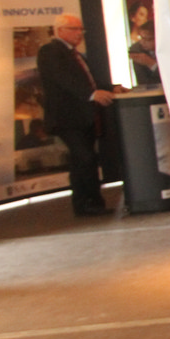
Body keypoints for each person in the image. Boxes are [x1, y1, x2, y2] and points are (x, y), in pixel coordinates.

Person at [36, 14, 115, 216]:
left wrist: (111, 88)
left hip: (84, 117)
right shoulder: (50, 51)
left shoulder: (75, 54)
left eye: (81, 29)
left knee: (83, 160)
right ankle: (88, 203)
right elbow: (64, 79)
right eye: (74, 29)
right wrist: (92, 94)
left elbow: (88, 80)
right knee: (85, 158)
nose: (79, 33)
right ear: (59, 30)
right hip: (67, 118)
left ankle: (89, 203)